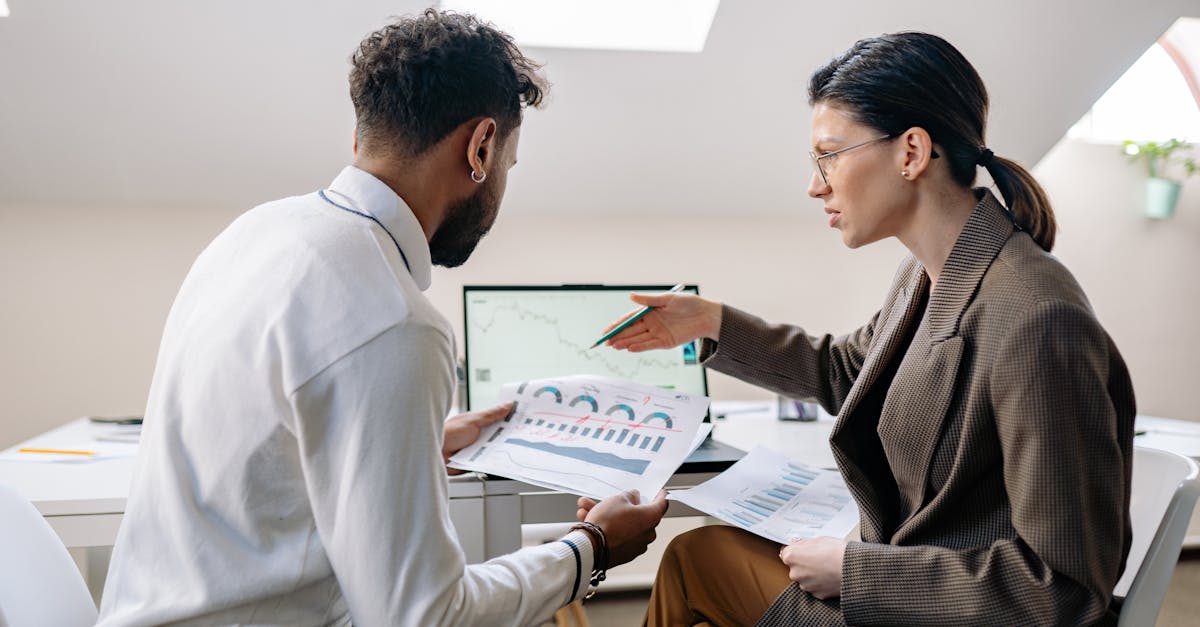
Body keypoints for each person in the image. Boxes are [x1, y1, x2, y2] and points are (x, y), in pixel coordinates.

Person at [97, 10, 667, 626]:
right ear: (480, 147)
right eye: (508, 163)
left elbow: (270, 452)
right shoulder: (396, 323)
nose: (503, 182)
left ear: (359, 138)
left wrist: (419, 442)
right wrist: (591, 550)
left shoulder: (252, 233)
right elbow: (425, 618)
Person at [601, 32, 1135, 627]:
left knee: (696, 561)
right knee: (697, 553)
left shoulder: (1038, 321)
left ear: (911, 152)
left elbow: (1063, 588)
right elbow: (849, 371)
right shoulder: (928, 274)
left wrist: (858, 572)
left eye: (829, 156)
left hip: (934, 607)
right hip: (906, 577)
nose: (815, 185)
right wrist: (709, 323)